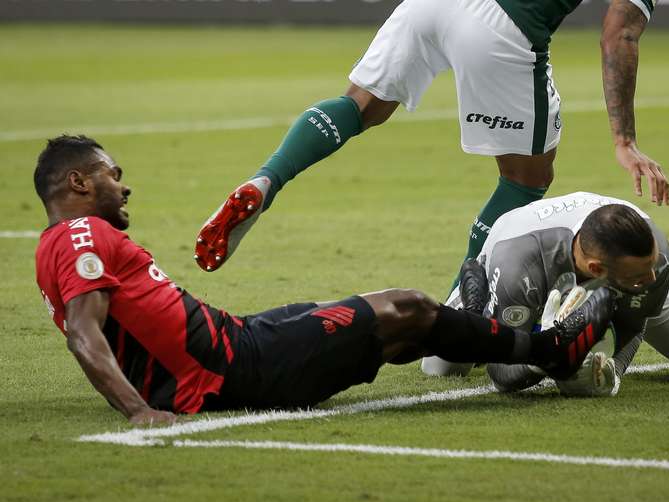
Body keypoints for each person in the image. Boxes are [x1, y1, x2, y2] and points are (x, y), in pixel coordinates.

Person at [33, 136, 615, 425]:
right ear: (80, 183)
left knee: (400, 331)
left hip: (238, 338)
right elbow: (84, 332)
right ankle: (549, 350)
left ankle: (483, 323)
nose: (124, 186)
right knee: (407, 308)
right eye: (114, 175)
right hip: (239, 364)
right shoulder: (79, 236)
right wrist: (137, 412)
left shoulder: (54, 246)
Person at [194, 0, 669, 275]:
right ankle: (464, 302)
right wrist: (624, 141)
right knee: (526, 178)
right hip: (503, 24)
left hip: (431, 4)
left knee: (360, 106)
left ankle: (266, 181)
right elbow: (618, 36)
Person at [421, 192, 669, 394]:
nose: (652, 276)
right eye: (640, 273)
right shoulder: (520, 264)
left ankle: (597, 305)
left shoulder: (654, 260)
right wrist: (544, 355)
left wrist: (611, 374)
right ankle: (473, 308)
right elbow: (501, 375)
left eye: (651, 264)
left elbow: (633, 324)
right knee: (441, 368)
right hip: (512, 276)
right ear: (596, 269)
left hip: (616, 282)